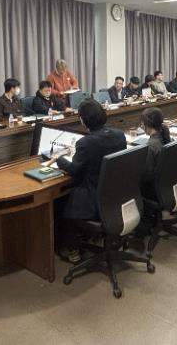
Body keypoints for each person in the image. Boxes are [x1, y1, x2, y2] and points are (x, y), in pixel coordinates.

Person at [51, 100, 127, 263]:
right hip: (116, 195)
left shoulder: (85, 143)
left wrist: (59, 159)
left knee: (61, 202)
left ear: (83, 120)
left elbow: (74, 170)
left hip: (94, 198)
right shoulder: (119, 134)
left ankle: (72, 250)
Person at [140, 108, 172, 198]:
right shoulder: (165, 135)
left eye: (142, 123)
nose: (141, 126)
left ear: (146, 124)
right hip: (166, 184)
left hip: (154, 190)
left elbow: (147, 176)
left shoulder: (150, 146)